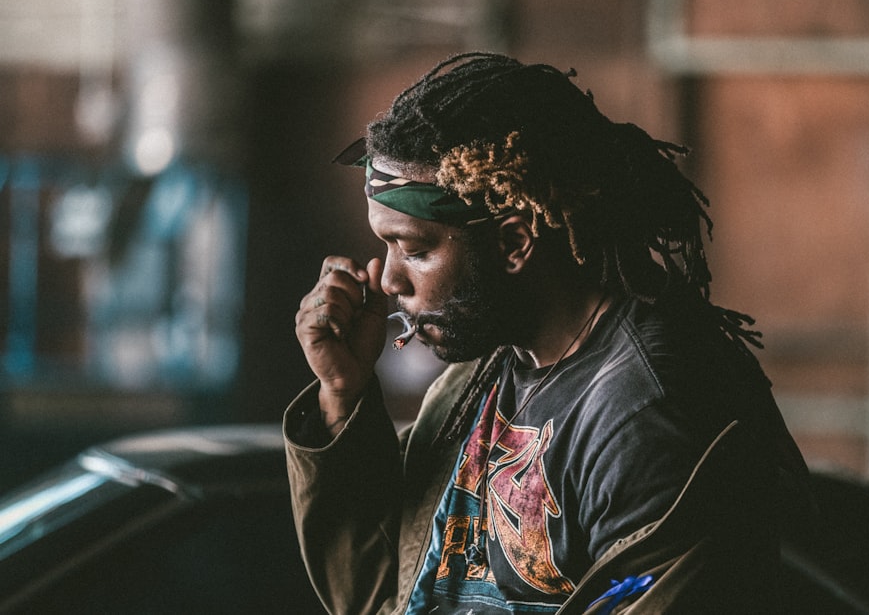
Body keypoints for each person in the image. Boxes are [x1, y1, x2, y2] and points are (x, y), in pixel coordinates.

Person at [284, 52, 809, 614]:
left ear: (514, 244)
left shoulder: (648, 414)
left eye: (414, 249)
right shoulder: (482, 374)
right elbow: (379, 601)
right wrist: (343, 394)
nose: (388, 279)